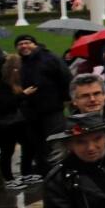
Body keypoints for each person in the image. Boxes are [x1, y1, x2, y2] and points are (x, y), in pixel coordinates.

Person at [14, 33, 72, 180]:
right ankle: (46, 175)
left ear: (35, 44)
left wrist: (65, 98)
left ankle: (60, 173)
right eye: (20, 44)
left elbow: (65, 77)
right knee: (38, 146)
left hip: (52, 109)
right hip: (31, 112)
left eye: (27, 43)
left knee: (55, 143)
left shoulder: (49, 58)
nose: (24, 46)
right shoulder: (19, 63)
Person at [0, 54, 35, 189]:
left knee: (29, 145)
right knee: (7, 151)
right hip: (4, 124)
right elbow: (3, 105)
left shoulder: (6, 82)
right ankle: (9, 179)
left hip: (17, 121)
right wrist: (23, 95)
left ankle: (26, 173)